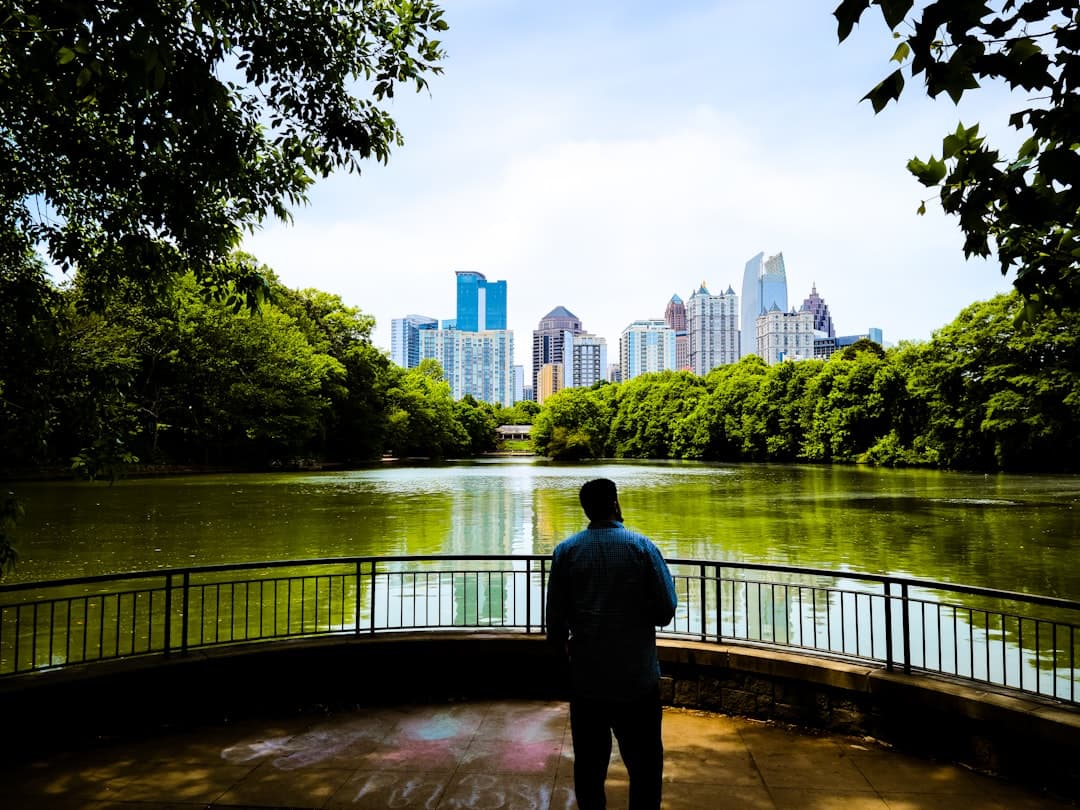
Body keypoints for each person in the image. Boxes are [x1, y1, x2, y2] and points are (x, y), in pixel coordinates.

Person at [546, 478, 678, 810]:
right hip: (637, 679)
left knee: (589, 770)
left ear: (586, 510)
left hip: (587, 680)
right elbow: (665, 611)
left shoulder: (566, 552)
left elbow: (556, 624)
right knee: (646, 769)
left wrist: (565, 667)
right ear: (616, 504)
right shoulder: (642, 548)